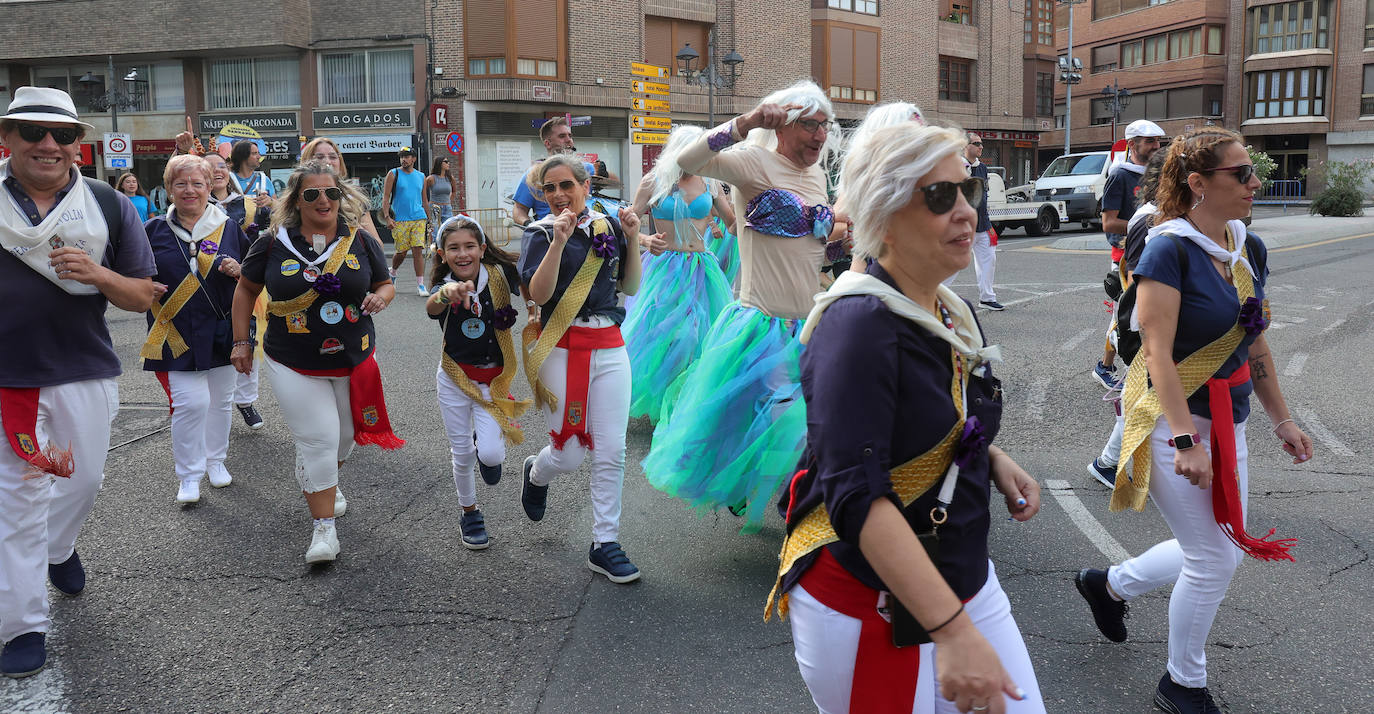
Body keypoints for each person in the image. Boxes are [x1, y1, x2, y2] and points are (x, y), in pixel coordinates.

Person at [768, 121, 1044, 714]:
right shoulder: (857, 325)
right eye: (940, 197)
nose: (966, 212)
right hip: (872, 601)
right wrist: (954, 631)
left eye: (967, 191)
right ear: (885, 215)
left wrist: (990, 456)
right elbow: (856, 494)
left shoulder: (951, 309)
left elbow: (923, 416)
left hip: (963, 575)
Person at [1075, 128, 1313, 714]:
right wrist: (1185, 440)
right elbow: (1156, 354)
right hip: (1172, 419)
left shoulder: (1247, 248)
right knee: (1212, 558)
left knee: (1220, 548)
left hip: (1230, 417)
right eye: (1242, 174)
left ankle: (1108, 585)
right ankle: (1182, 683)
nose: (1255, 183)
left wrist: (1282, 419)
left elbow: (1254, 339)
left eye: (1252, 171)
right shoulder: (1168, 249)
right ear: (1198, 185)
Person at [641, 80, 848, 532]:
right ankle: (783, 499)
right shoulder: (753, 162)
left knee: (805, 425)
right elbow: (687, 160)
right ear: (784, 125)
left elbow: (809, 247)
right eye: (811, 125)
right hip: (762, 325)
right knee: (784, 422)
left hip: (809, 324)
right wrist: (747, 122)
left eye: (825, 126)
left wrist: (834, 247)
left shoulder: (816, 176)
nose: (820, 136)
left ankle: (782, 494)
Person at [0, 87, 157, 678]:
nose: (48, 144)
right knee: (16, 503)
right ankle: (21, 625)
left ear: (77, 145)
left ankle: (60, 547)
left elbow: (145, 293)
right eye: (34, 131)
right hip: (7, 379)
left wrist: (98, 274)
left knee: (83, 481)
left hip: (81, 369)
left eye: (62, 134)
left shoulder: (108, 206)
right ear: (7, 136)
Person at [231, 159, 402, 564]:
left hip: (353, 356)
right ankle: (324, 532)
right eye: (312, 194)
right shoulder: (273, 242)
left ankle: (318, 471)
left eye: (331, 192)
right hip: (292, 359)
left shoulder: (360, 240)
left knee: (343, 438)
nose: (323, 200)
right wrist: (241, 342)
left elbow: (385, 283)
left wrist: (383, 297)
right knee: (321, 439)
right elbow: (245, 289)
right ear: (296, 200)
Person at [519, 154, 645, 583]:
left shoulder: (609, 225)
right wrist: (557, 242)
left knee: (612, 450)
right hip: (561, 345)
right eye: (548, 188)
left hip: (609, 345)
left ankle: (604, 542)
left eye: (565, 185)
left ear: (585, 186)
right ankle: (537, 472)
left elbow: (629, 287)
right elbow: (538, 292)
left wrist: (633, 236)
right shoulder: (539, 234)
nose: (558, 195)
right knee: (569, 455)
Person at [140, 155, 251, 503]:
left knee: (220, 402)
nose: (189, 190)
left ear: (210, 187)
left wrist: (239, 271)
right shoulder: (152, 230)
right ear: (169, 189)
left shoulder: (229, 227)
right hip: (175, 331)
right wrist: (146, 286)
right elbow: (133, 272)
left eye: (197, 183)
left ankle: (216, 462)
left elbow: (254, 277)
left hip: (222, 327)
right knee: (190, 404)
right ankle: (189, 476)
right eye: (181, 183)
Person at [427, 215, 528, 550]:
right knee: (462, 454)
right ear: (442, 254)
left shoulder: (500, 275)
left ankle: (485, 450)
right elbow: (431, 307)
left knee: (491, 455)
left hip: (493, 381)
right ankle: (469, 512)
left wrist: (535, 308)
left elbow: (532, 277)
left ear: (482, 249)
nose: (462, 253)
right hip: (455, 378)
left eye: (469, 246)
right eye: (453, 248)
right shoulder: (444, 285)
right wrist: (447, 294)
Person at [624, 125, 733, 423]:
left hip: (701, 268)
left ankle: (683, 402)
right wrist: (646, 241)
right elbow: (630, 222)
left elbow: (734, 224)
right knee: (664, 336)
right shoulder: (654, 181)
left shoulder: (710, 184)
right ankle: (663, 402)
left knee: (697, 335)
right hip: (664, 268)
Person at [1087, 147, 1167, 488]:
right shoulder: (1149, 218)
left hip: (1150, 327)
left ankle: (1110, 462)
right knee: (1146, 397)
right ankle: (1107, 463)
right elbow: (1136, 283)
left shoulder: (1162, 216)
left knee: (1149, 397)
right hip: (1146, 329)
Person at [1092, 119, 1166, 390]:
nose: (1157, 146)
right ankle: (1108, 368)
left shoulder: (1159, 172)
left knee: (1142, 315)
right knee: (1126, 316)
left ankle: (1113, 367)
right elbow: (1109, 223)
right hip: (1125, 257)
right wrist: (1150, 224)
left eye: (1159, 141)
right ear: (1132, 144)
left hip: (1155, 253)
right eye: (1150, 141)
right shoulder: (1119, 175)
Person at [510, 117, 618, 228]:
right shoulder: (533, 175)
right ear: (547, 143)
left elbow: (616, 183)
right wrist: (532, 226)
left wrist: (603, 173)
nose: (568, 140)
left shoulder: (585, 168)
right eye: (562, 136)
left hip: (585, 231)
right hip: (550, 235)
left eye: (570, 136)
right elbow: (519, 209)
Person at [300, 137, 379, 237]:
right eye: (319, 157)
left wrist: (354, 227)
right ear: (307, 162)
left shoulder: (355, 200)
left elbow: (377, 246)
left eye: (333, 157)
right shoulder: (296, 199)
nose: (328, 161)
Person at [959, 132, 1002, 311]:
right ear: (965, 146)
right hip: (963, 226)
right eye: (976, 143)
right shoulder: (957, 167)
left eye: (981, 143)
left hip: (982, 225)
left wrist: (988, 225)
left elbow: (983, 197)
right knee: (953, 262)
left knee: (989, 259)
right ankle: (936, 295)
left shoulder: (982, 168)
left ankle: (987, 297)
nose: (981, 146)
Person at [381, 146, 430, 295]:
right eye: (402, 156)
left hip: (418, 217)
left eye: (407, 156)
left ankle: (421, 285)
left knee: (417, 250)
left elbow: (424, 200)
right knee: (401, 252)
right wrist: (387, 218)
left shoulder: (421, 176)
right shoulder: (393, 174)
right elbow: (385, 197)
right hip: (400, 219)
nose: (404, 159)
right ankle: (393, 272)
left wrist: (430, 221)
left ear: (414, 159)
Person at [427, 156, 454, 227]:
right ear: (439, 163)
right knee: (435, 232)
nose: (448, 163)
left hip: (447, 208)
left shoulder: (450, 178)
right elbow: (423, 192)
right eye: (446, 162)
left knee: (449, 229)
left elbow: (454, 191)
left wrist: (448, 202)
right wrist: (426, 205)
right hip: (434, 207)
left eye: (448, 162)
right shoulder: (431, 178)